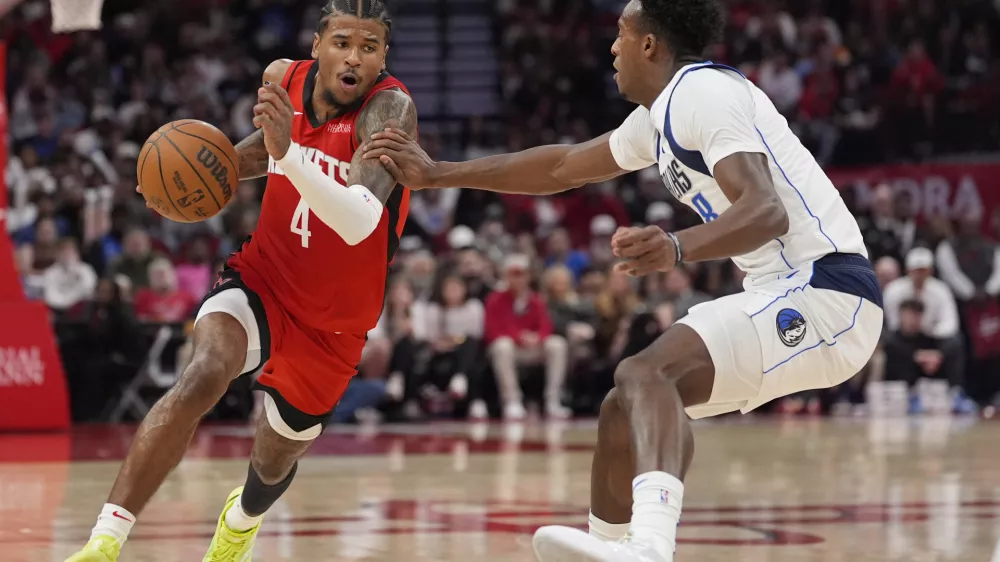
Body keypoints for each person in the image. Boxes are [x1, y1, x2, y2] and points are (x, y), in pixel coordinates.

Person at [361, 1, 882, 560]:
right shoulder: (659, 117)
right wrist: (441, 174)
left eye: (621, 34)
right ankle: (610, 548)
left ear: (650, 44)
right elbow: (561, 167)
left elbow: (766, 211)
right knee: (622, 406)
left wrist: (677, 246)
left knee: (647, 371)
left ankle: (651, 546)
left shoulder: (703, 94)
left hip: (828, 291)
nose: (613, 48)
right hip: (784, 290)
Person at [66, 1, 417, 561]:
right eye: (343, 42)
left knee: (274, 460)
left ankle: (241, 522)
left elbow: (360, 219)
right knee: (202, 375)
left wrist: (289, 153)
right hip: (265, 278)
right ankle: (105, 540)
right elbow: (258, 157)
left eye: (369, 47)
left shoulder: (390, 110)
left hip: (335, 323)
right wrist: (193, 175)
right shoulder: (282, 80)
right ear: (317, 45)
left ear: (383, 57)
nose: (354, 57)